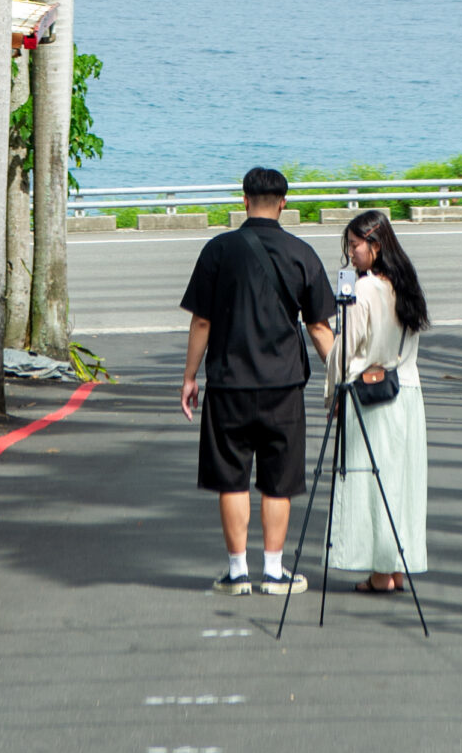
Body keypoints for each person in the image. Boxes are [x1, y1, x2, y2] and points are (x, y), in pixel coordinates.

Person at [180, 166, 336, 596]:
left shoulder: (218, 250)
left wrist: (191, 376)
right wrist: (341, 377)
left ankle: (235, 572)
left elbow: (202, 321)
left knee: (231, 479)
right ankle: (273, 571)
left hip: (228, 384)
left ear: (244, 200)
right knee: (278, 481)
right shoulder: (302, 254)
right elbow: (320, 329)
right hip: (283, 387)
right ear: (284, 203)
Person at [327, 209, 430, 594]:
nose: (350, 254)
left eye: (354, 246)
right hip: (408, 392)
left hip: (372, 396)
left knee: (372, 481)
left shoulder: (365, 289)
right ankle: (398, 566)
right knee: (403, 483)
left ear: (374, 245)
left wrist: (332, 391)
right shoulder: (405, 284)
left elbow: (346, 348)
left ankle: (378, 573)